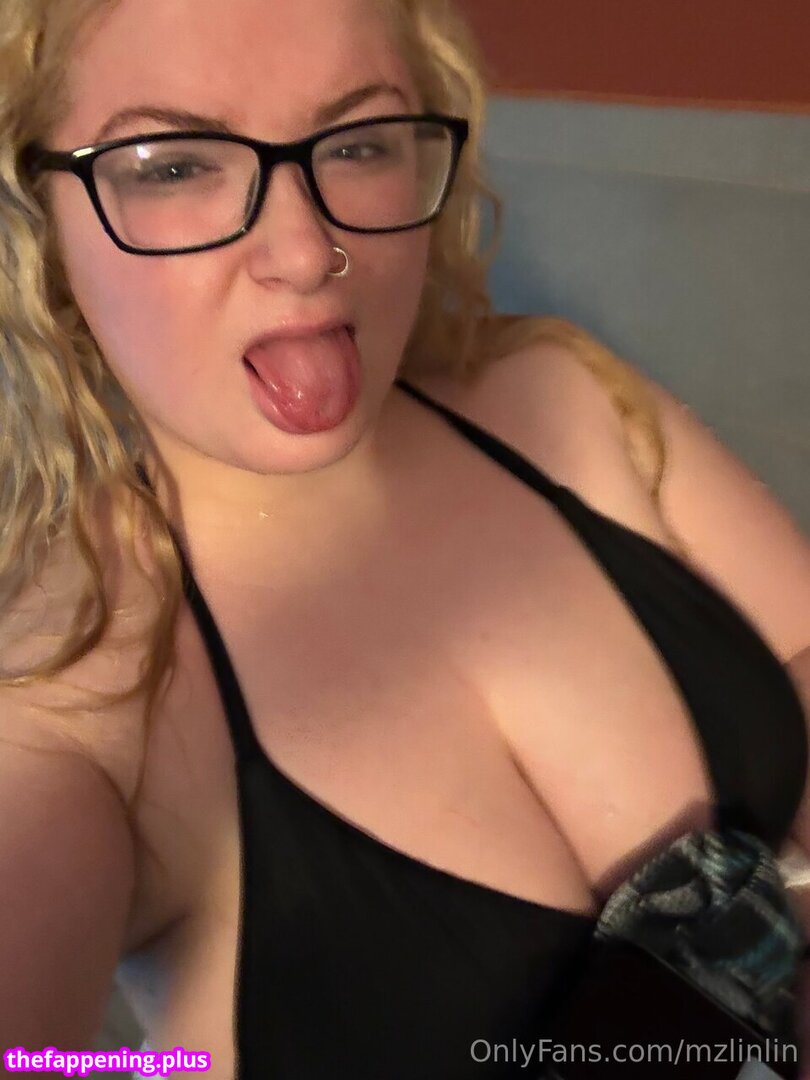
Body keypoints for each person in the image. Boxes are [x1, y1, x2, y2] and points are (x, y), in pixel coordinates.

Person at [1, 0, 809, 1077]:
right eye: (174, 165)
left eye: (358, 143)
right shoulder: (71, 691)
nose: (306, 251)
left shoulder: (561, 395)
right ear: (37, 221)